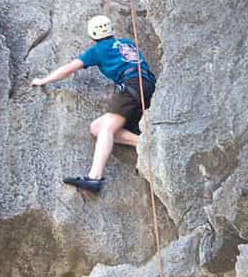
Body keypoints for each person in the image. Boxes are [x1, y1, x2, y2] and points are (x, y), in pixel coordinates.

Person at [31, 14, 156, 192]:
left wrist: (44, 80)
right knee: (97, 127)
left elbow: (68, 69)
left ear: (92, 36)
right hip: (146, 84)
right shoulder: (127, 43)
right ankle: (144, 143)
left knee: (107, 128)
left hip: (132, 84)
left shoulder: (97, 50)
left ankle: (94, 178)